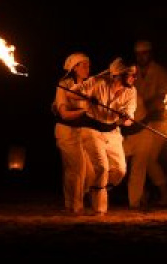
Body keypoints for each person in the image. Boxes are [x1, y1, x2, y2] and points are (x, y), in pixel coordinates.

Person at [68, 57, 137, 215]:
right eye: (131, 74)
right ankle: (99, 210)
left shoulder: (132, 91)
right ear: (119, 74)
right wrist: (86, 97)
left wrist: (125, 117)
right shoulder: (98, 82)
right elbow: (72, 94)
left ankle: (94, 187)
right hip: (92, 129)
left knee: (119, 171)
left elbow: (129, 120)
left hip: (112, 131)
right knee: (102, 168)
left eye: (135, 75)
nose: (134, 78)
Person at [122, 40, 167, 209]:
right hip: (139, 121)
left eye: (144, 53)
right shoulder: (133, 71)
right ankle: (142, 195)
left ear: (150, 54)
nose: (141, 57)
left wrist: (144, 104)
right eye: (138, 54)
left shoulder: (160, 72)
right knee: (138, 158)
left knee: (149, 158)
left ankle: (165, 196)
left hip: (159, 120)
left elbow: (164, 97)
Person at [53, 52, 94, 215]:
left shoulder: (89, 85)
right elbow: (64, 114)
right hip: (65, 131)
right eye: (83, 65)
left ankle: (72, 203)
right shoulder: (63, 85)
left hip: (82, 131)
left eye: (88, 65)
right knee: (75, 169)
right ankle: (75, 206)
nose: (87, 68)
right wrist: (85, 111)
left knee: (89, 171)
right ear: (74, 68)